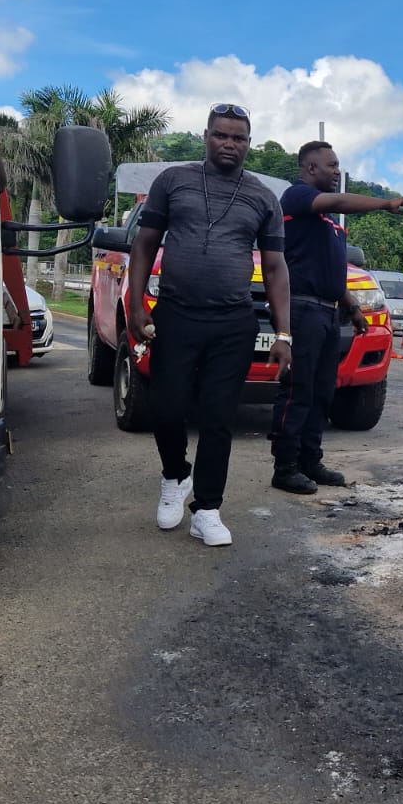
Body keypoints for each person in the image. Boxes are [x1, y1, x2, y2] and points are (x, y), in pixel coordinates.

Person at [127, 103, 292, 548]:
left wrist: (283, 334)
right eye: (222, 135)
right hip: (176, 314)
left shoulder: (262, 197)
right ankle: (175, 475)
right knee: (166, 406)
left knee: (219, 417)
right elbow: (144, 244)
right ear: (206, 136)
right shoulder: (173, 181)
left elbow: (276, 268)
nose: (229, 144)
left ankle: (208, 508)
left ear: (248, 144)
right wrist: (136, 303)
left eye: (238, 138)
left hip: (232, 321)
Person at [270, 141, 403, 495]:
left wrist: (352, 307)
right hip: (301, 309)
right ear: (310, 168)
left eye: (338, 166)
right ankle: (285, 466)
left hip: (328, 312)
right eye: (331, 165)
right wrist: (384, 203)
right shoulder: (297, 197)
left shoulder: (328, 222)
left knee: (322, 392)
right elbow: (335, 200)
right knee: (297, 391)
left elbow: (330, 271)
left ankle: (310, 461)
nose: (337, 171)